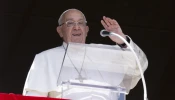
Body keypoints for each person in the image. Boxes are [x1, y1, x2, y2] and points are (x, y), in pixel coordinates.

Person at [22, 8, 148, 99]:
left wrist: (121, 40)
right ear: (60, 31)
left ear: (86, 30)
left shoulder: (105, 53)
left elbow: (140, 66)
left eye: (80, 23)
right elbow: (34, 97)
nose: (76, 27)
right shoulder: (45, 58)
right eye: (70, 23)